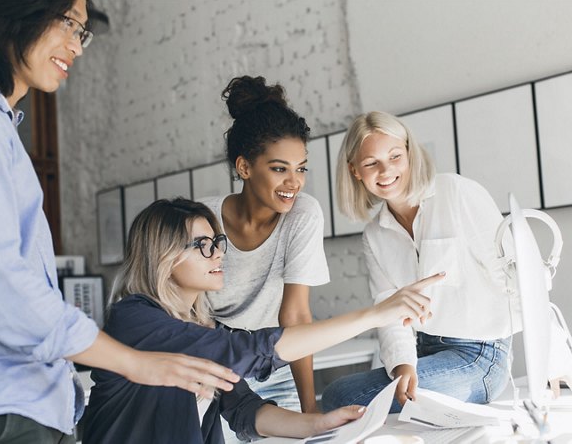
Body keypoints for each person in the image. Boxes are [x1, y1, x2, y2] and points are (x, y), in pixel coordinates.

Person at [0, 0, 239, 442]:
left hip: (21, 409)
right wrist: (136, 362)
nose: (77, 46)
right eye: (69, 24)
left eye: (82, 31)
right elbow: (3, 291)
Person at [83, 198, 442, 443]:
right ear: (163, 255)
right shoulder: (134, 319)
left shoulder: (205, 329)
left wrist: (317, 425)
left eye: (217, 242)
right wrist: (375, 314)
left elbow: (244, 409)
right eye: (202, 245)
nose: (218, 253)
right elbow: (251, 350)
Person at [321, 110, 518, 414]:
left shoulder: (456, 192)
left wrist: (553, 359)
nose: (385, 171)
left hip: (480, 357)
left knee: (345, 399)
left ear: (411, 154)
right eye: (371, 163)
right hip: (422, 351)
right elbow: (388, 310)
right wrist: (402, 365)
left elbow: (517, 275)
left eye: (395, 156)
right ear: (355, 171)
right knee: (337, 392)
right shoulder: (374, 235)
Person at [201, 76, 325, 439]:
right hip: (216, 367)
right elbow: (189, 313)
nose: (294, 181)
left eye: (300, 167)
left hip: (277, 362)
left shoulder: (304, 214)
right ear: (244, 168)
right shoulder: (202, 221)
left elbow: (296, 314)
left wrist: (310, 411)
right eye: (279, 168)